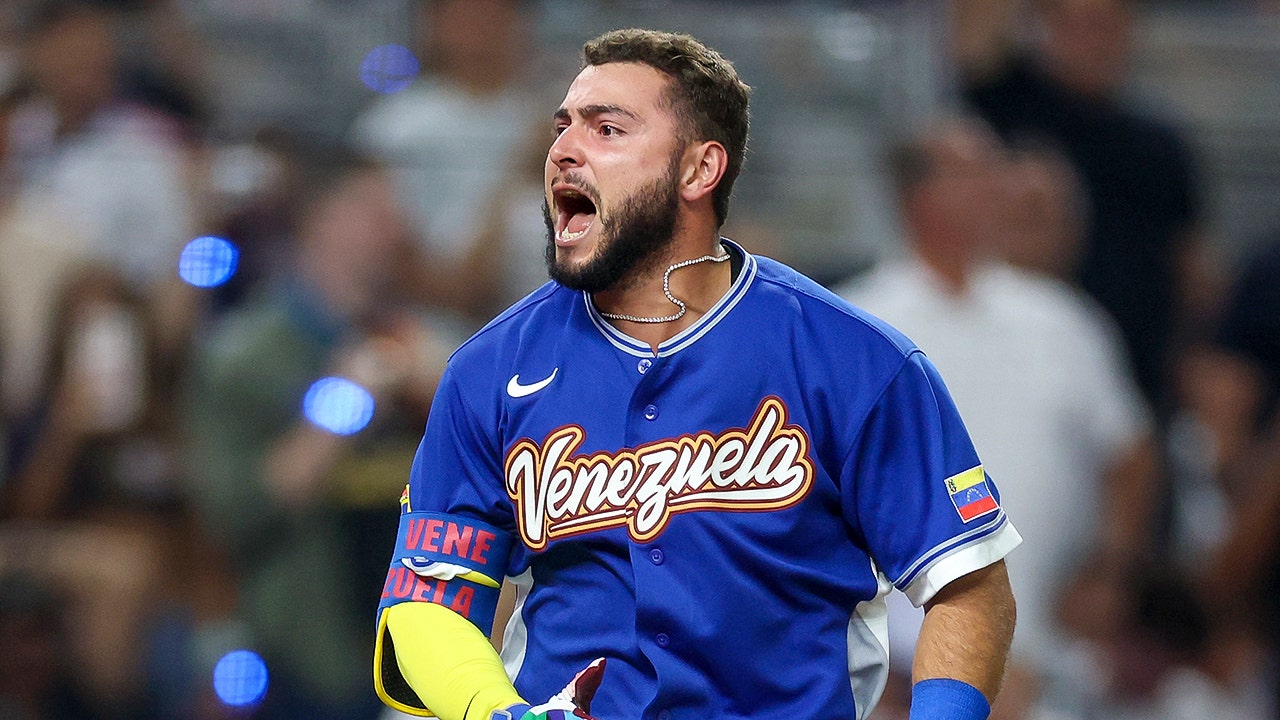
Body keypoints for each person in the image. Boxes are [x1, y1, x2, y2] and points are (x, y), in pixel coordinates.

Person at [373, 29, 1020, 720]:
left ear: (699, 170)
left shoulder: (853, 359)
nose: (563, 149)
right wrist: (495, 713)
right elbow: (426, 601)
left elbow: (968, 586)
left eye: (606, 129)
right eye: (563, 127)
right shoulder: (490, 369)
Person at [836, 117, 1158, 719]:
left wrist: (1110, 569)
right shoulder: (855, 322)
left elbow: (1130, 453)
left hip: (1045, 643)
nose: (996, 188)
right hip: (894, 656)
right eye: (972, 173)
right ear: (918, 196)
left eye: (994, 171)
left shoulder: (1060, 320)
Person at [185, 152, 459, 720]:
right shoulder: (245, 355)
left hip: (417, 645)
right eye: (373, 212)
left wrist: (447, 395)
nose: (394, 229)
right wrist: (346, 402)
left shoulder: (419, 343)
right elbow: (233, 515)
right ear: (319, 220)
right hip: (306, 653)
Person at [950, 0, 1215, 417]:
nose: (1093, 42)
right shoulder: (1000, 112)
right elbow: (971, 33)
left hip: (1136, 374)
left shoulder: (1160, 147)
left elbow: (1191, 271)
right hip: (1009, 364)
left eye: (1107, 26)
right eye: (1078, 25)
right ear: (1042, 27)